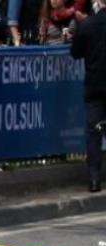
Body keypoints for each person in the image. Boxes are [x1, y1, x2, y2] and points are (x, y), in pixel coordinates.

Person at [72, 0, 106, 192]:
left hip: (94, 85)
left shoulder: (87, 25)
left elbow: (75, 53)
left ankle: (94, 179)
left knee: (93, 131)